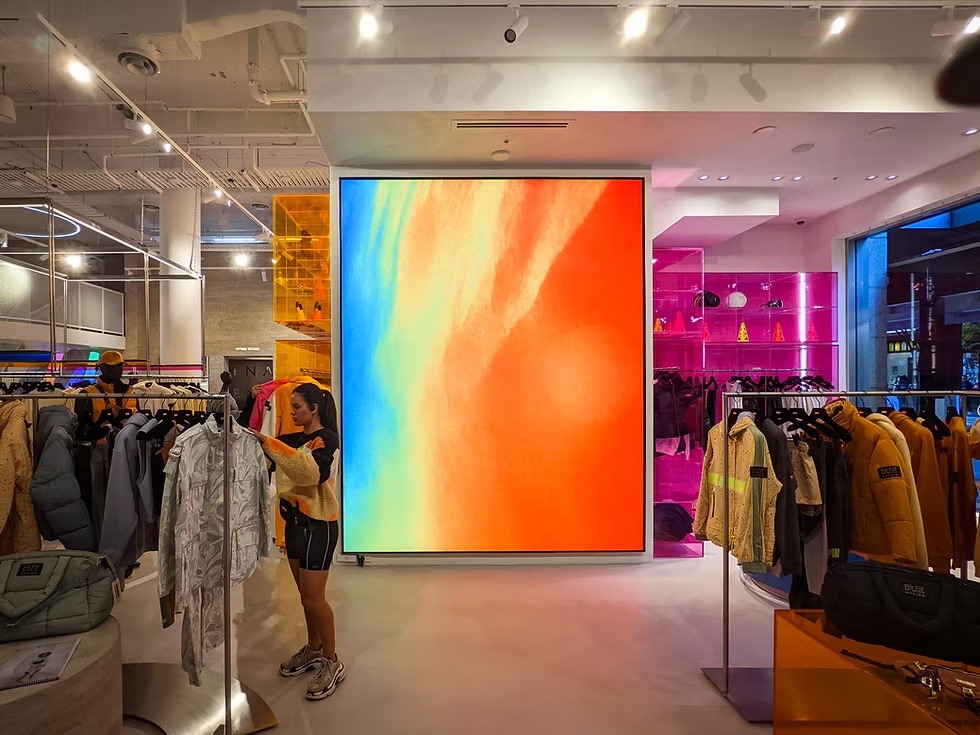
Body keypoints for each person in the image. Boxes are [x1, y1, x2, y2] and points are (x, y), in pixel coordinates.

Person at [251, 383, 344, 701]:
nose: (291, 412)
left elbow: (311, 474)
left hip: (319, 526)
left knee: (315, 599)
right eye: (290, 407)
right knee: (305, 598)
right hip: (293, 526)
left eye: (297, 407)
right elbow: (275, 456)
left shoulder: (327, 439)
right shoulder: (290, 440)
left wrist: (267, 443)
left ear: (314, 408)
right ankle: (314, 649)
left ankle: (332, 662)